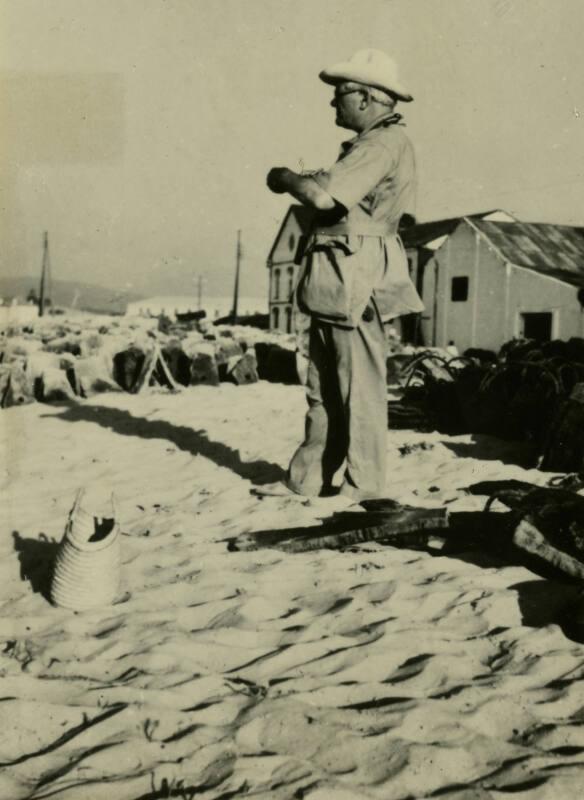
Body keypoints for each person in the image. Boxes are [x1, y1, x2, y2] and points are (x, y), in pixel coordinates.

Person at [264, 48, 424, 502]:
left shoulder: (380, 145)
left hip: (355, 276)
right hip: (339, 276)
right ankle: (309, 479)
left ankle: (363, 489)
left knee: (359, 390)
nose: (334, 104)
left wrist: (285, 177)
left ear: (367, 97)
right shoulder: (373, 145)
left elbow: (322, 199)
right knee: (325, 384)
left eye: (340, 95)